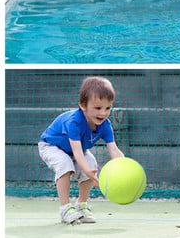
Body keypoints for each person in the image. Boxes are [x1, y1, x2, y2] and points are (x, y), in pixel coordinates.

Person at [38, 76, 124, 224]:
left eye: (107, 108)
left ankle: (81, 205)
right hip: (51, 146)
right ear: (83, 105)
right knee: (65, 163)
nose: (103, 113)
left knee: (90, 163)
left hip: (73, 151)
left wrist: (124, 167)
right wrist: (89, 173)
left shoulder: (105, 124)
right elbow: (77, 152)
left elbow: (114, 149)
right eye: (98, 108)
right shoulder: (74, 121)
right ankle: (65, 208)